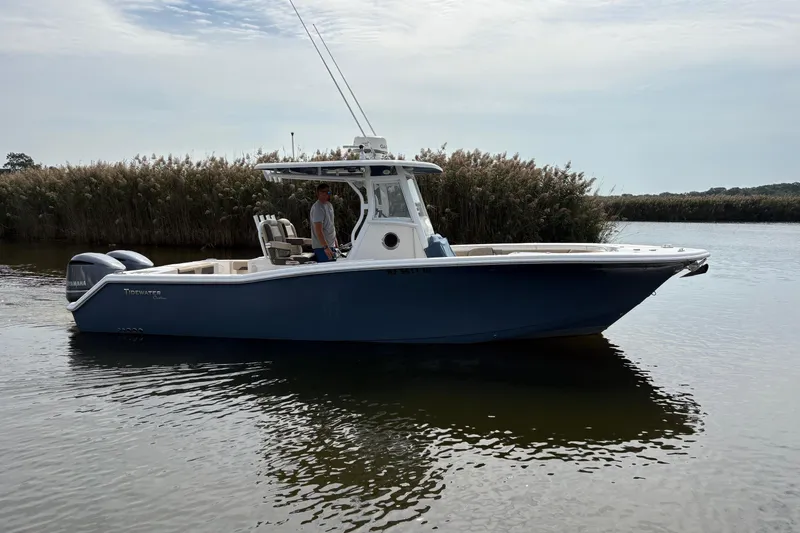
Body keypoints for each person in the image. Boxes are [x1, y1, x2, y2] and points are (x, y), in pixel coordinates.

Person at [309, 183, 337, 262]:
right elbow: (318, 230)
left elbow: (331, 224)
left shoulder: (329, 205)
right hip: (322, 247)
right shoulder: (318, 207)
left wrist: (335, 240)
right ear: (318, 194)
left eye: (327, 192)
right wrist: (325, 247)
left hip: (331, 245)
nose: (325, 195)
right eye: (322, 192)